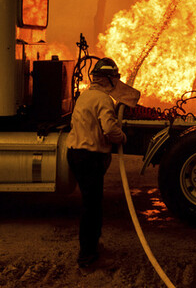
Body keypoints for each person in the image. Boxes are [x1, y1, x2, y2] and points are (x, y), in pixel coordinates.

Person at [66, 56, 140, 268]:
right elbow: (109, 128)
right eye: (114, 78)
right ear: (108, 79)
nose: (116, 82)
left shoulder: (85, 96)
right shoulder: (104, 100)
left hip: (75, 154)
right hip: (89, 157)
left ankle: (93, 246)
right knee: (92, 208)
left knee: (92, 204)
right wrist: (122, 137)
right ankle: (87, 256)